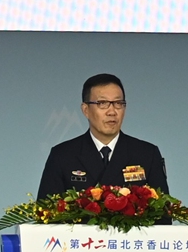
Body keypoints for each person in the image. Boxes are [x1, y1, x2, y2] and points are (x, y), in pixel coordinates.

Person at [38, 73, 169, 198]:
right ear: (86, 110)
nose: (112, 111)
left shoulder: (146, 154)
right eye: (102, 104)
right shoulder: (62, 156)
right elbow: (47, 214)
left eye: (118, 103)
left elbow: (163, 215)